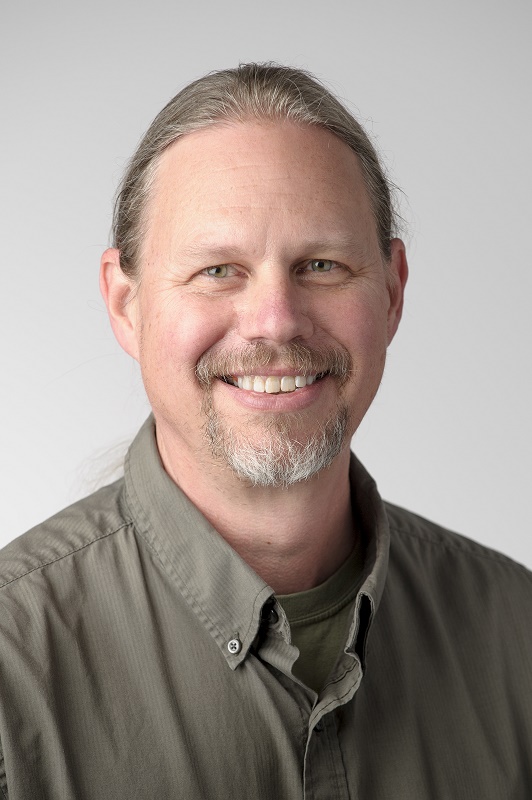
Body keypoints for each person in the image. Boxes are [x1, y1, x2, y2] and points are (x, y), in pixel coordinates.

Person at [0, 63, 530, 800]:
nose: (276, 320)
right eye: (219, 270)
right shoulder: (12, 666)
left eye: (321, 264)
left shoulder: (518, 632)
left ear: (393, 291)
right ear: (126, 305)